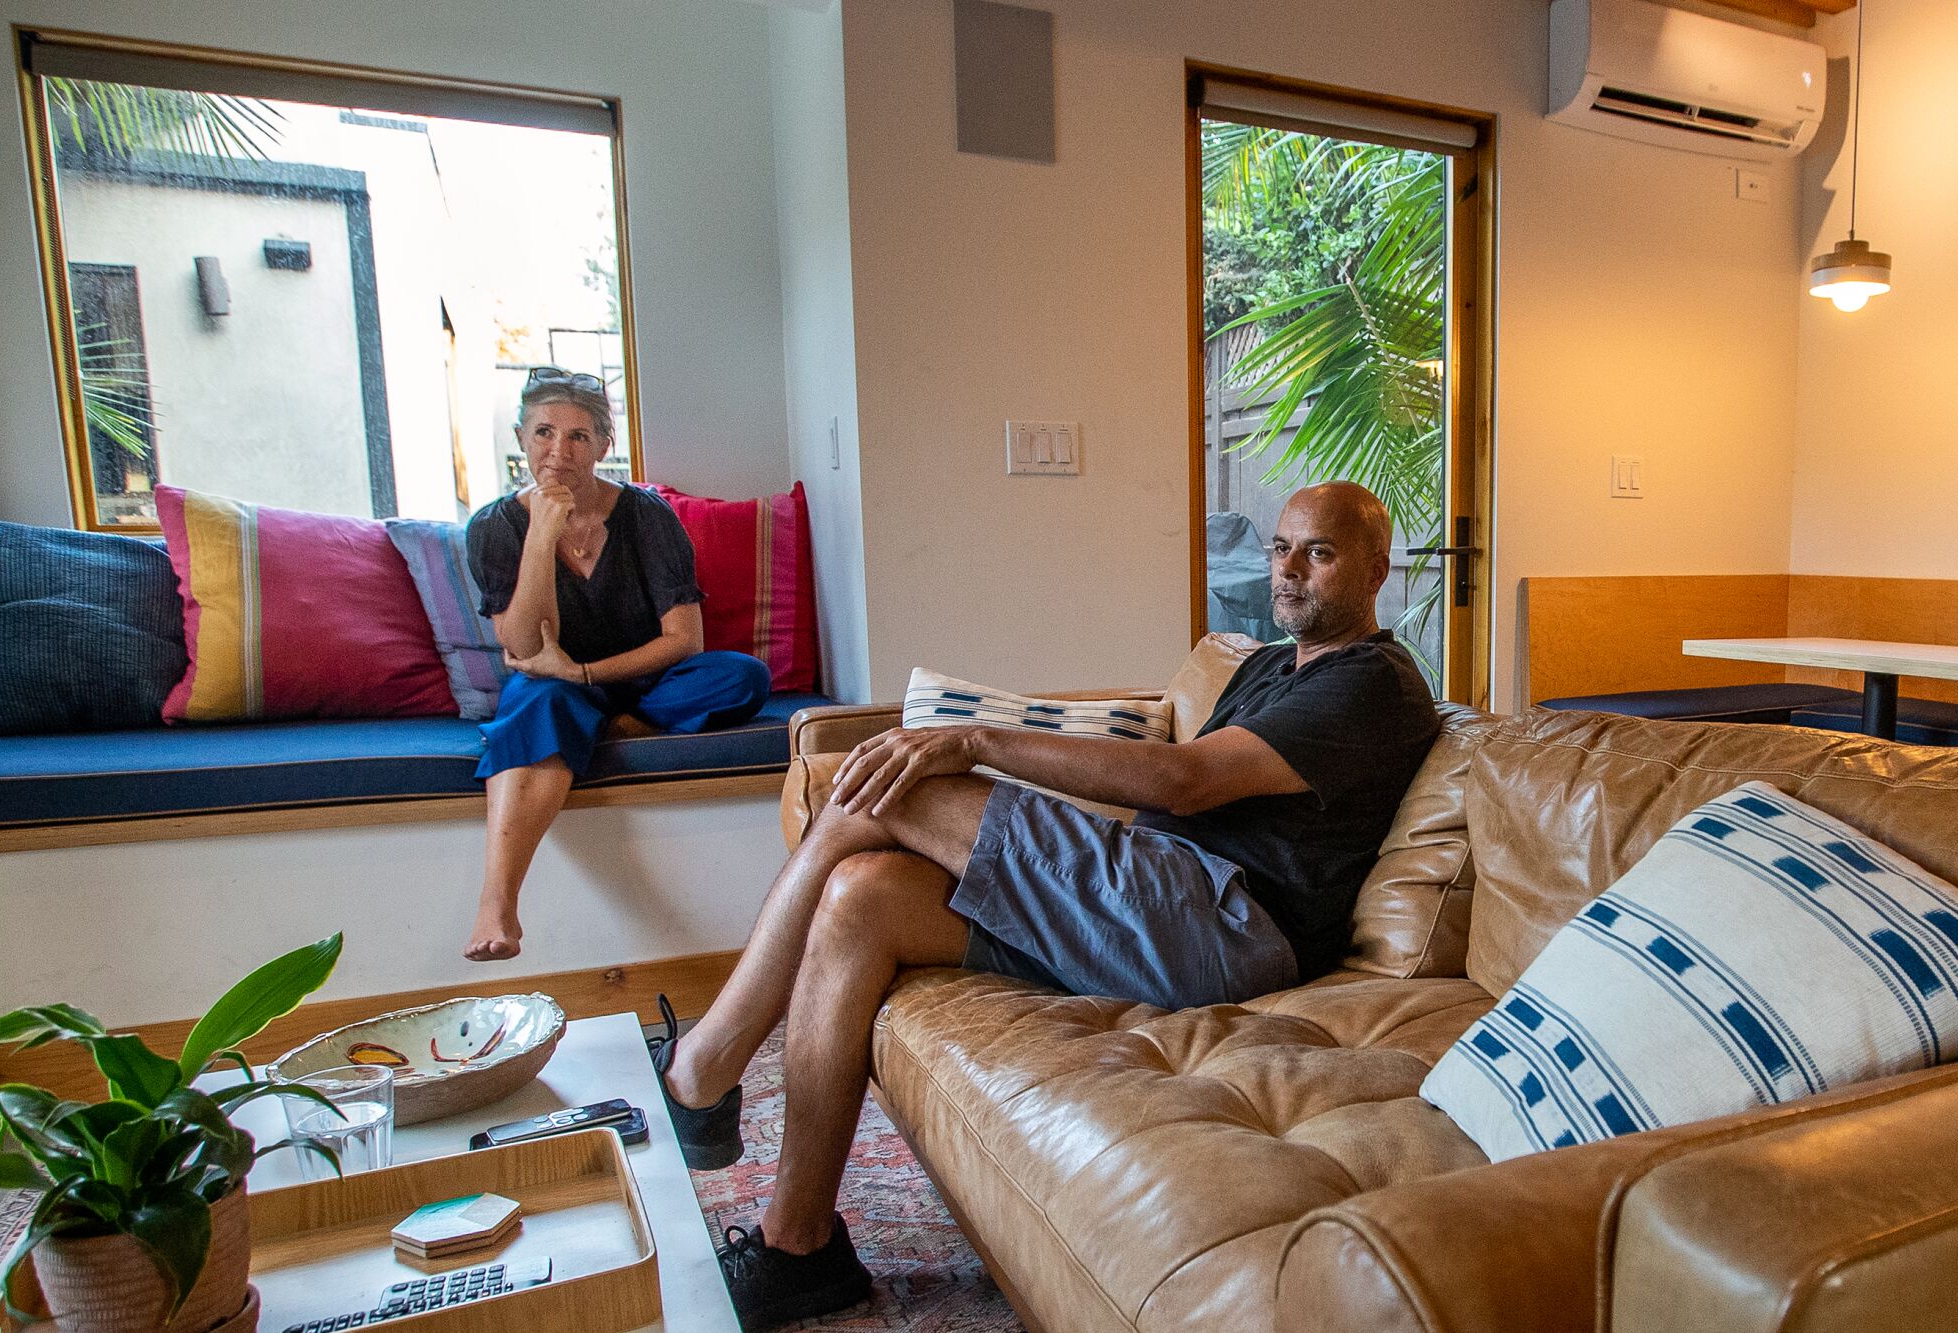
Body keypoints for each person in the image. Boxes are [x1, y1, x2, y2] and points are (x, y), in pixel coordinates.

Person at [648, 480, 1442, 1330]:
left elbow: (1187, 780)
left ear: (1376, 569)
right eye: (1282, 547)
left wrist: (975, 738)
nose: (1289, 569)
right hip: (1154, 896)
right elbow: (1170, 777)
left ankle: (707, 1065)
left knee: (886, 789)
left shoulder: (1376, 682)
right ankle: (797, 1247)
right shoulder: (1264, 666)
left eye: (1318, 553)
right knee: (862, 897)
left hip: (1229, 925)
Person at [462, 367, 771, 962]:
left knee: (742, 677)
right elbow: (527, 647)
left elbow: (685, 639)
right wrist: (539, 537)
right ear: (521, 438)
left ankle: (600, 725)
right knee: (537, 699)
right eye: (544, 432)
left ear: (604, 446)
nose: (559, 452)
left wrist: (583, 673)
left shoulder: (647, 516)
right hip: (554, 686)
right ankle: (497, 903)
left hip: (646, 680)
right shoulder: (494, 529)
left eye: (579, 437)